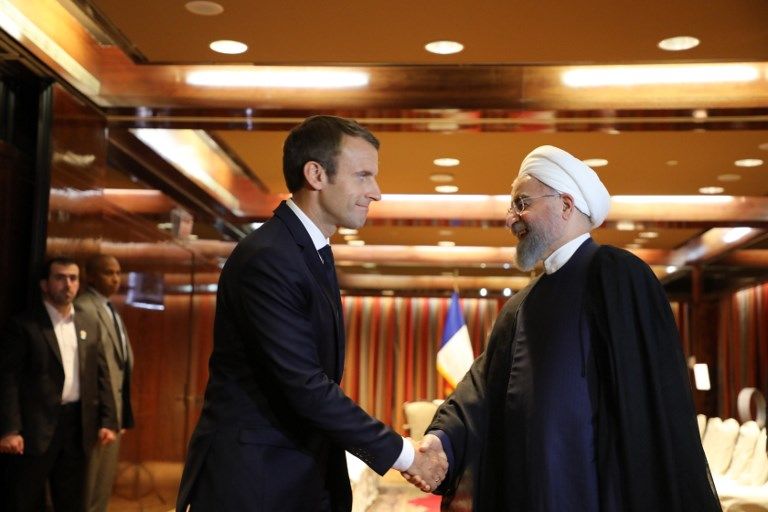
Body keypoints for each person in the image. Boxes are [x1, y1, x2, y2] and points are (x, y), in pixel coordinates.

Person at [419, 145, 721, 511]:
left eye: (521, 203)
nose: (510, 218)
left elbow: (646, 407)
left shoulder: (616, 276)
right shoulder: (521, 305)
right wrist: (442, 440)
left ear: (565, 204)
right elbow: (480, 390)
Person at [176, 115, 446, 512]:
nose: (376, 192)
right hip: (256, 482)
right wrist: (404, 454)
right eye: (363, 176)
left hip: (293, 473)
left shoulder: (307, 250)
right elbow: (304, 384)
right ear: (316, 174)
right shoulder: (270, 257)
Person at [0, 257, 118, 512]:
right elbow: (8, 381)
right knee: (25, 501)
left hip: (76, 427)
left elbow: (100, 374)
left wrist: (108, 420)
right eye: (60, 278)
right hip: (35, 429)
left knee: (73, 502)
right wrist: (10, 429)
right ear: (45, 284)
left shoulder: (87, 323)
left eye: (73, 278)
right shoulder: (24, 326)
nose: (68, 284)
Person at [76, 255, 135, 512]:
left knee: (101, 489)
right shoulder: (84, 307)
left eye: (118, 272)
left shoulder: (110, 308)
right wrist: (105, 416)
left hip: (113, 413)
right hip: (94, 415)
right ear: (90, 276)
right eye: (108, 272)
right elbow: (91, 369)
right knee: (86, 490)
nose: (115, 278)